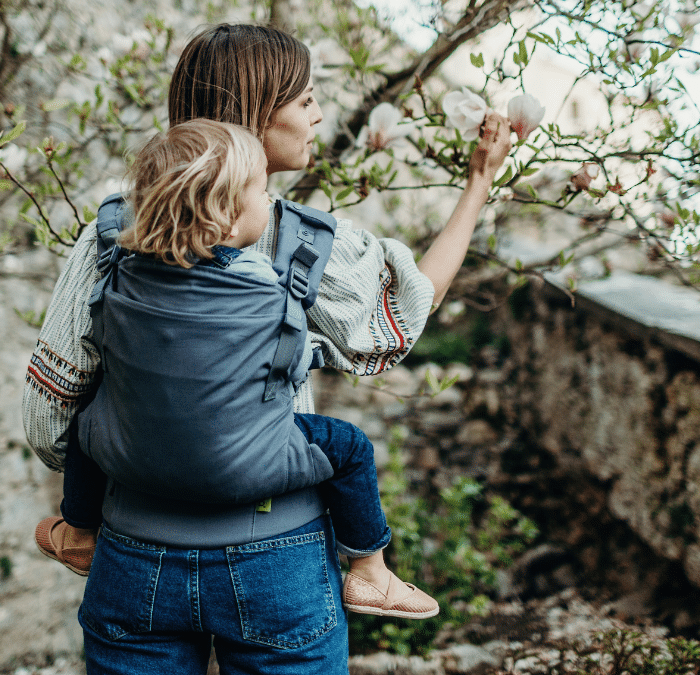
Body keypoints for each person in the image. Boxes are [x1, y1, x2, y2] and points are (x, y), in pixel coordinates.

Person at [21, 22, 512, 675]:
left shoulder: (114, 231)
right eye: (305, 100)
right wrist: (478, 184)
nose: (319, 115)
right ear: (254, 116)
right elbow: (407, 309)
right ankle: (375, 567)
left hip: (134, 559)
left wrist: (94, 502)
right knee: (342, 446)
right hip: (275, 557)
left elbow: (53, 418)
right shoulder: (306, 244)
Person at [35, 118, 440, 622]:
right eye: (263, 194)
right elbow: (291, 363)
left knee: (85, 425)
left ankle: (78, 533)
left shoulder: (120, 273)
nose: (270, 205)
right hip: (251, 474)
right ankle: (371, 573)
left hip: (133, 473)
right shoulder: (263, 284)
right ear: (227, 222)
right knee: (351, 447)